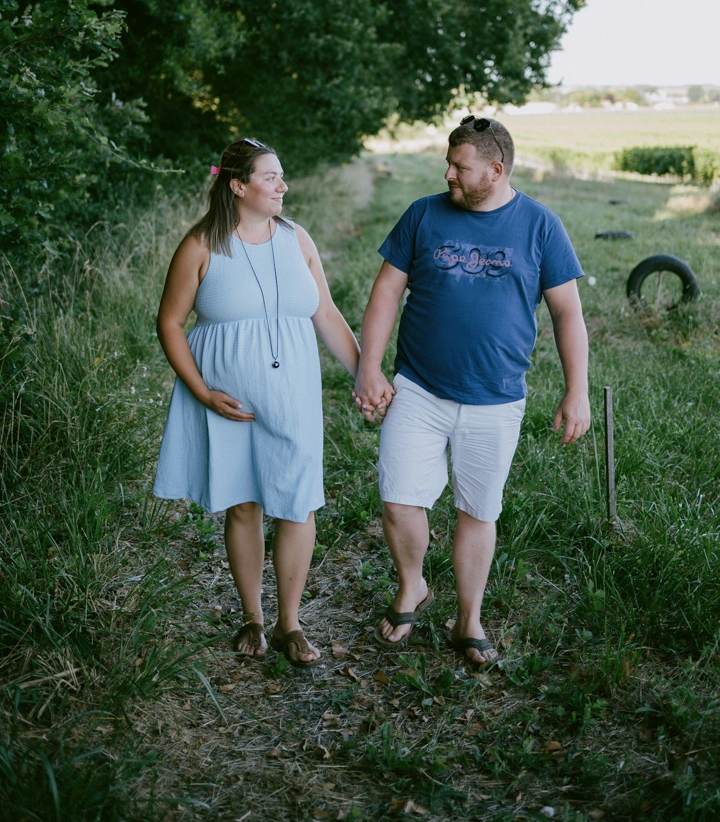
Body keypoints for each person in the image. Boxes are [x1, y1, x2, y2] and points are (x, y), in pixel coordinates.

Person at [353, 115, 590, 666]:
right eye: (450, 163)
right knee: (398, 500)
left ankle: (468, 617)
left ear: (495, 169)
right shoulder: (423, 214)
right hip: (418, 388)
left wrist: (576, 390)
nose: (449, 174)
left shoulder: (540, 225)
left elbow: (568, 313)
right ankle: (412, 585)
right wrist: (370, 367)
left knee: (477, 511)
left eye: (460, 166)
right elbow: (385, 293)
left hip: (497, 397)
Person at [154, 138, 360, 667]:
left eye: (282, 176)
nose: (283, 186)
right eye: (271, 177)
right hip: (227, 398)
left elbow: (327, 315)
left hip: (291, 393)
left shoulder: (297, 239)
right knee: (244, 502)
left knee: (296, 501)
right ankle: (253, 617)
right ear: (238, 185)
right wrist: (202, 391)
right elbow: (170, 323)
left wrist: (367, 375)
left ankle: (291, 623)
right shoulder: (201, 245)